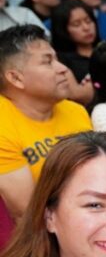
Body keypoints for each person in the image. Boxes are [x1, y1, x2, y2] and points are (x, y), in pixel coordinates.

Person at [0, 26, 90, 221]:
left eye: (57, 59)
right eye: (48, 62)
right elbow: (28, 213)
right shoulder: (3, 125)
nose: (63, 69)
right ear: (16, 78)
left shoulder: (75, 111)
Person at [49, 0, 98, 106]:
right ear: (63, 30)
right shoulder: (60, 59)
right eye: (76, 24)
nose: (86, 28)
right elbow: (76, 95)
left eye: (88, 21)